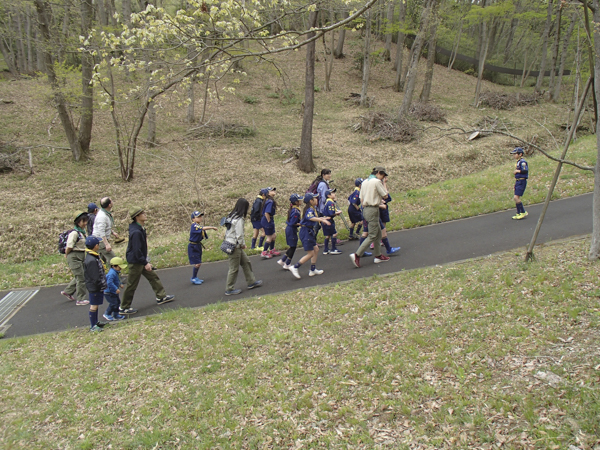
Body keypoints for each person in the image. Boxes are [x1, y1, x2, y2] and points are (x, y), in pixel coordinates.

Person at [120, 207, 175, 314]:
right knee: (132, 284)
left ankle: (161, 296)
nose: (145, 214)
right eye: (142, 213)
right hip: (136, 262)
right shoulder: (136, 232)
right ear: (137, 217)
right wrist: (145, 262)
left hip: (140, 259)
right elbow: (136, 250)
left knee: (153, 277)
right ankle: (124, 307)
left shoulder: (139, 228)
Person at [350, 167, 391, 268]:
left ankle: (378, 255)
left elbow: (361, 198)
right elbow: (385, 196)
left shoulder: (364, 182)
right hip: (373, 209)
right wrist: (384, 186)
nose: (383, 178)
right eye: (383, 175)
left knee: (377, 232)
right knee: (372, 235)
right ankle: (357, 254)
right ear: (378, 173)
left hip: (366, 209)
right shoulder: (377, 182)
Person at [223, 198, 263, 295]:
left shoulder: (231, 215)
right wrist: (242, 244)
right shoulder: (239, 219)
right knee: (234, 268)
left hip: (230, 243)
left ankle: (251, 282)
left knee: (246, 262)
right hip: (235, 246)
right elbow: (239, 234)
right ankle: (229, 288)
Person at [289, 193, 331, 279]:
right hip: (306, 232)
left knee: (316, 249)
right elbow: (310, 217)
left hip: (309, 231)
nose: (317, 200)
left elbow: (311, 217)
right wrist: (321, 220)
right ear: (311, 201)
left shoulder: (311, 208)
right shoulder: (309, 210)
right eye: (315, 198)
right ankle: (295, 267)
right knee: (311, 253)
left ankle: (312, 269)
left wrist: (323, 218)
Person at [60, 212, 90, 306]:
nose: (85, 223)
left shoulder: (82, 232)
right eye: (83, 221)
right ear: (78, 222)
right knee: (81, 278)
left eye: (86, 221)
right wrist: (66, 254)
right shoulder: (74, 233)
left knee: (80, 275)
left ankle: (68, 291)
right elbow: (69, 246)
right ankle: (80, 299)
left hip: (81, 255)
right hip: (74, 256)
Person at [83, 236, 107, 332]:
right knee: (94, 305)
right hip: (95, 287)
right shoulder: (92, 260)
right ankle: (93, 325)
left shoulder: (93, 256)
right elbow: (95, 276)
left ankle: (96, 322)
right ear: (95, 246)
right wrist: (100, 285)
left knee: (96, 304)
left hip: (95, 286)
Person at [189, 211, 217, 285]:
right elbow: (203, 228)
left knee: (199, 262)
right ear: (193, 219)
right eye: (198, 217)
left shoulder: (197, 225)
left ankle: (195, 277)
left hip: (197, 245)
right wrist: (212, 227)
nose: (200, 218)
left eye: (200, 216)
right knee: (197, 263)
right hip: (193, 246)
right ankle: (193, 278)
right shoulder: (194, 226)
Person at [92, 197, 121, 265]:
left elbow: (105, 226)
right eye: (111, 201)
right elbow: (101, 231)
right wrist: (106, 244)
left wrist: (113, 232)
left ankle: (104, 274)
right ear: (109, 205)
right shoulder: (102, 216)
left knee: (102, 260)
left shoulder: (105, 213)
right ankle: (113, 274)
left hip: (100, 240)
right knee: (113, 259)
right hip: (100, 241)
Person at [277, 193, 302, 270]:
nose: (301, 201)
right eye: (299, 200)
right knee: (293, 247)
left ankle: (283, 260)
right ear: (296, 202)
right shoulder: (295, 211)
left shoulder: (294, 209)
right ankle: (287, 263)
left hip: (290, 229)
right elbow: (293, 222)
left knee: (292, 246)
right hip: (291, 230)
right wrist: (301, 224)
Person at [103, 257, 128, 321]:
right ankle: (107, 314)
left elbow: (117, 279)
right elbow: (109, 282)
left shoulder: (116, 272)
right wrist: (115, 289)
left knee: (117, 302)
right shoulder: (111, 273)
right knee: (113, 303)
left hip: (113, 291)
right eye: (119, 267)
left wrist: (120, 284)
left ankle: (116, 314)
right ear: (114, 266)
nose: (120, 268)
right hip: (109, 292)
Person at [260, 187, 281, 259]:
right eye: (272, 190)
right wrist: (268, 221)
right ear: (268, 193)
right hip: (267, 220)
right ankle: (264, 252)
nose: (274, 191)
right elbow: (267, 213)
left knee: (274, 235)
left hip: (269, 219)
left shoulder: (269, 201)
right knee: (269, 237)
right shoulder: (270, 202)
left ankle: (272, 250)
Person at [322, 188, 342, 255]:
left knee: (327, 235)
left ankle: (326, 249)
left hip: (324, 220)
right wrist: (338, 212)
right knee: (334, 234)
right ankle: (333, 249)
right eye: (332, 193)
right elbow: (331, 213)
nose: (334, 194)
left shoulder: (327, 201)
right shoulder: (331, 203)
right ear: (328, 195)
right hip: (329, 220)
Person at [511, 147, 529, 220]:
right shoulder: (518, 162)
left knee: (516, 197)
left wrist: (517, 171)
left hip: (522, 181)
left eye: (515, 154)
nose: (514, 155)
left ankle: (523, 212)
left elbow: (525, 170)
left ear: (520, 154)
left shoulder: (523, 162)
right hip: (518, 181)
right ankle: (518, 212)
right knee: (516, 197)